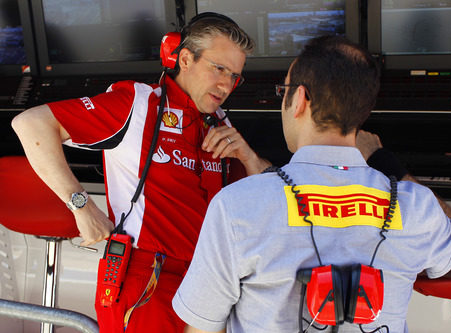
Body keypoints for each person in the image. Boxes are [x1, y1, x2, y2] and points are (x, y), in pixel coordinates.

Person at [172, 35, 451, 333]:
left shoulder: (236, 206)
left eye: (284, 91)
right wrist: (383, 159)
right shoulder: (415, 206)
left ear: (300, 99)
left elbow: (203, 326)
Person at [12, 13, 271, 332]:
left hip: (208, 284)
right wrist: (81, 205)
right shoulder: (137, 102)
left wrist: (248, 156)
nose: (226, 85)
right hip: (147, 280)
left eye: (235, 76)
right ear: (186, 59)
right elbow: (31, 124)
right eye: (219, 69)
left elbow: (270, 195)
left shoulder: (220, 123)